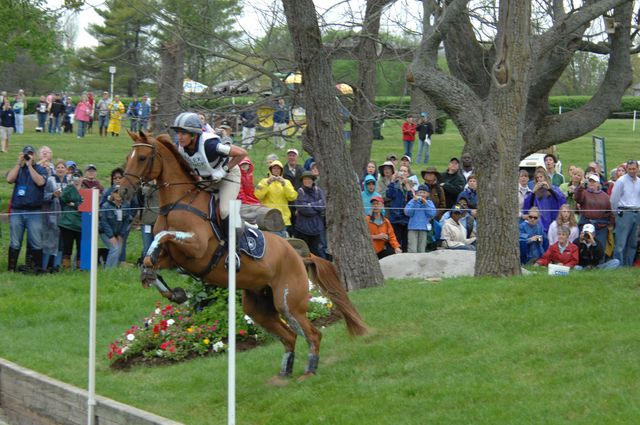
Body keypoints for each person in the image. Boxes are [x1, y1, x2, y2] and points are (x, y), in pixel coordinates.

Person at [171, 112, 247, 232]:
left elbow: (242, 153)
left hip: (229, 176)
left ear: (194, 135)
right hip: (208, 180)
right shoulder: (180, 147)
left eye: (183, 133)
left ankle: (236, 244)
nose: (179, 137)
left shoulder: (210, 145)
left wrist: (223, 171)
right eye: (178, 133)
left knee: (224, 211)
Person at [6, 145, 48, 273]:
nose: (28, 156)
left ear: (34, 155)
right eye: (26, 154)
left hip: (34, 211)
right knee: (15, 241)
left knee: (36, 241)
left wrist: (30, 166)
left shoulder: (41, 169)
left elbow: (40, 182)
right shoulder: (19, 169)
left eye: (30, 154)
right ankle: (11, 269)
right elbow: (9, 179)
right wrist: (19, 164)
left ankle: (36, 269)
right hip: (17, 211)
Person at [255, 160, 297, 237]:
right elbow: (258, 195)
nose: (276, 170)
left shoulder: (286, 182)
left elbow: (292, 197)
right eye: (274, 168)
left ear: (281, 171)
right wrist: (267, 183)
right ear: (271, 170)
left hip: (283, 219)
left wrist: (284, 184)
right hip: (269, 218)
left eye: (278, 169)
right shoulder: (263, 181)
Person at [609, 159, 640, 266]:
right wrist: (615, 213)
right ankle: (618, 265)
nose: (632, 171)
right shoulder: (621, 181)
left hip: (637, 213)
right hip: (624, 213)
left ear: (638, 169)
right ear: (627, 169)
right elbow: (613, 199)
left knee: (633, 242)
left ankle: (628, 265)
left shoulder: (639, 181)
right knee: (621, 243)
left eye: (634, 169)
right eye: (630, 169)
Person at [574, 173, 614, 251]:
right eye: (590, 181)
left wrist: (611, 223)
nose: (591, 183)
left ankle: (600, 263)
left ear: (598, 184)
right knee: (583, 246)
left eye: (594, 182)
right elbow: (577, 198)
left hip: (600, 226)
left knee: (600, 247)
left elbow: (609, 212)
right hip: (586, 224)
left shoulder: (605, 196)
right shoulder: (584, 193)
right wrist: (581, 187)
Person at [293, 171, 326, 257]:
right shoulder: (300, 192)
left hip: (316, 229)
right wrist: (316, 206)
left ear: (313, 180)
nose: (307, 181)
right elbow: (304, 209)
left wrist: (310, 205)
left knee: (315, 254)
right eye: (305, 179)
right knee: (302, 254)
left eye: (309, 179)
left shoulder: (318, 191)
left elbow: (323, 205)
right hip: (302, 229)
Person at [41, 159, 66, 272]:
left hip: (65, 217)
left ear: (66, 170)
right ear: (55, 169)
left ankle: (56, 267)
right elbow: (43, 196)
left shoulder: (69, 181)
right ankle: (44, 267)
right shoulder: (50, 180)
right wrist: (53, 195)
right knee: (49, 242)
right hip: (51, 217)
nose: (60, 169)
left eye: (62, 167)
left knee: (61, 242)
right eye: (58, 167)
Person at [99, 188, 132, 268]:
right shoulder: (105, 206)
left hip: (118, 233)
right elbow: (104, 222)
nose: (118, 194)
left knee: (119, 249)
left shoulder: (126, 205)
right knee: (114, 248)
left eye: (120, 192)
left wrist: (121, 235)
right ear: (112, 194)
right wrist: (111, 236)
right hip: (105, 232)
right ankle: (109, 271)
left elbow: (126, 221)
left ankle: (110, 267)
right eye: (116, 192)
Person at [386, 164, 415, 252]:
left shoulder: (411, 185)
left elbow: (412, 200)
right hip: (395, 218)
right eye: (401, 171)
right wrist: (392, 180)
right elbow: (389, 195)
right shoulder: (394, 184)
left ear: (408, 174)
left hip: (406, 219)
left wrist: (407, 186)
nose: (402, 173)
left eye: (405, 171)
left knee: (405, 243)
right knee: (396, 242)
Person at [58, 170, 83, 270]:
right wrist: (70, 186)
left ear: (82, 178)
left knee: (81, 247)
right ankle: (66, 268)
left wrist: (74, 204)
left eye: (78, 176)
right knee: (67, 247)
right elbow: (63, 198)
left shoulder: (86, 190)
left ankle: (80, 267)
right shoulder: (69, 188)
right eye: (74, 177)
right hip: (67, 223)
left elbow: (84, 205)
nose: (76, 179)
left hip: (81, 224)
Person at [404, 184, 436, 253]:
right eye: (420, 192)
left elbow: (432, 214)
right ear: (417, 193)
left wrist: (426, 204)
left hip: (424, 228)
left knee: (421, 249)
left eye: (424, 193)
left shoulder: (429, 203)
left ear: (427, 194)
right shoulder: (412, 201)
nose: (421, 194)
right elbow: (407, 213)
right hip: (413, 227)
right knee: (412, 248)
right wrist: (415, 202)